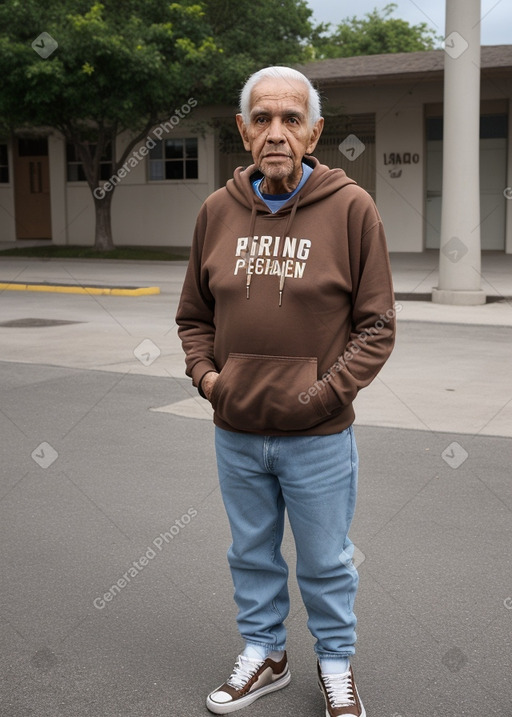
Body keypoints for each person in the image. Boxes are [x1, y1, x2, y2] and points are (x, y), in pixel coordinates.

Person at [176, 65, 396, 717]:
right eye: (263, 118)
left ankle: (335, 665)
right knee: (250, 552)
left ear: (314, 130)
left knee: (327, 560)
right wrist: (211, 381)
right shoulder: (216, 212)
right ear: (243, 130)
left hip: (319, 436)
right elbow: (193, 316)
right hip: (236, 431)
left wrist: (324, 396)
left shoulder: (351, 208)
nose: (277, 132)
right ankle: (266, 654)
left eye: (291, 118)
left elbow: (377, 324)